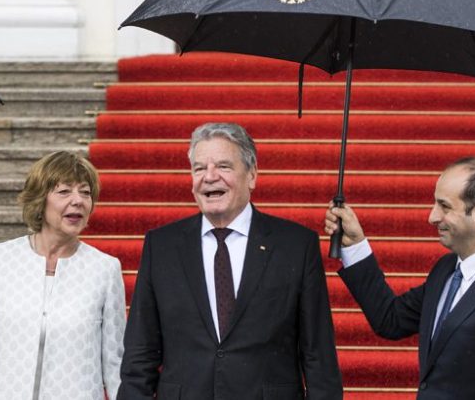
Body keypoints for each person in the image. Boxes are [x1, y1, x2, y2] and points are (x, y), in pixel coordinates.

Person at [119, 122, 342, 399]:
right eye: (199, 168)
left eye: (223, 166)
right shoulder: (161, 246)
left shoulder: (296, 245)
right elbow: (140, 354)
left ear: (252, 175)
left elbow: (319, 356)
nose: (209, 177)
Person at [324, 157, 475, 399]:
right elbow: (390, 319)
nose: (432, 217)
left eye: (444, 207)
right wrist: (355, 245)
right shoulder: (446, 269)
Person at [0, 151, 125, 400]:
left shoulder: (105, 269)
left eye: (85, 192)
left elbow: (115, 363)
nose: (78, 201)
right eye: (64, 191)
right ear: (40, 199)